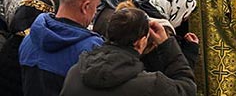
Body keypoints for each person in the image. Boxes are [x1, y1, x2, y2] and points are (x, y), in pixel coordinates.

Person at [60, 8, 197, 96]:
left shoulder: (75, 72)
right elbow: (188, 87)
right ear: (140, 42)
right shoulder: (151, 85)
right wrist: (167, 44)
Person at [19, 0, 103, 96]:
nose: (95, 13)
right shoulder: (92, 48)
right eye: (95, 7)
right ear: (85, 7)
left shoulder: (29, 38)